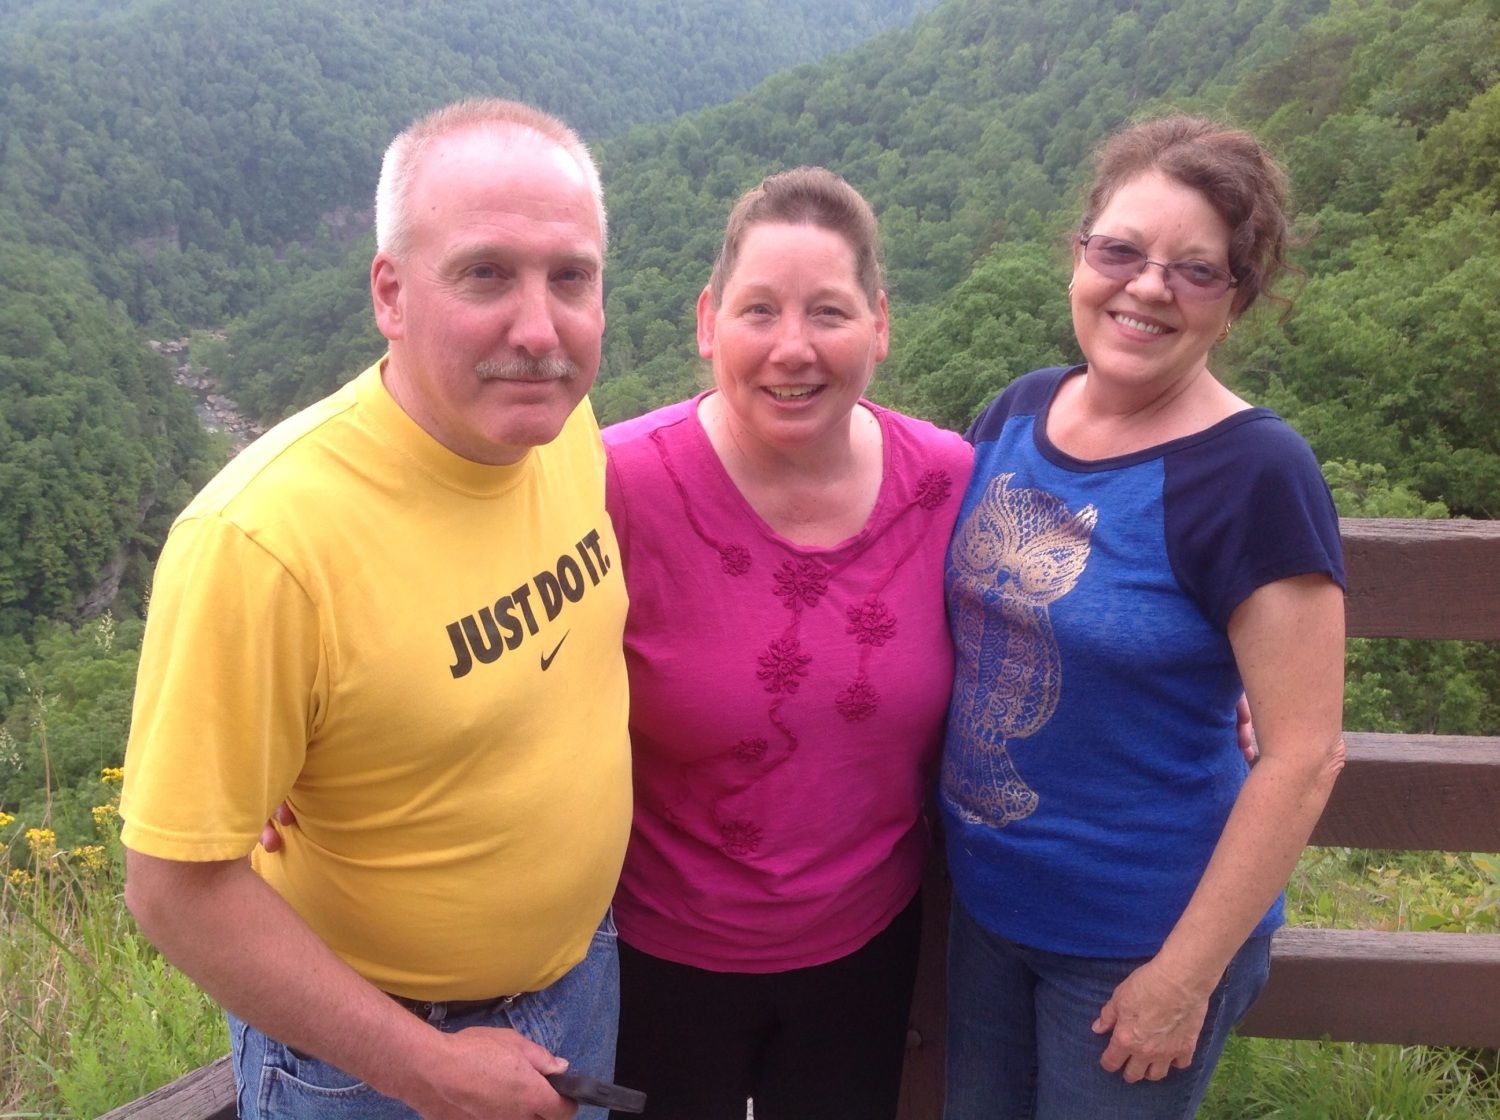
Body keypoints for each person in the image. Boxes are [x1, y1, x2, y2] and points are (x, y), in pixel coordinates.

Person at [119, 98, 631, 1120]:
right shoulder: (263, 542)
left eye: (571, 277)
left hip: (582, 979)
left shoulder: (562, 432)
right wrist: (426, 1067)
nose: (539, 329)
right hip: (374, 1060)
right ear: (391, 294)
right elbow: (173, 888)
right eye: (486, 273)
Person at [940, 114, 1347, 1119]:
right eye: (1120, 251)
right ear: (1080, 256)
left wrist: (1183, 977)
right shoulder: (1017, 411)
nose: (1148, 286)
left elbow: (1304, 755)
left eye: (1195, 270)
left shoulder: (1254, 472)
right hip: (985, 907)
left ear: (1236, 299)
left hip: (1137, 942)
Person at [602, 167, 974, 1119]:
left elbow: (1060, 609)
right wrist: (327, 752)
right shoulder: (615, 484)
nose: (793, 347)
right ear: (708, 321)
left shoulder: (946, 482)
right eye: (759, 310)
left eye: (830, 312)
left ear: (879, 325)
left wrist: (1217, 687)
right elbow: (473, 597)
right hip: (660, 953)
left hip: (866, 947)